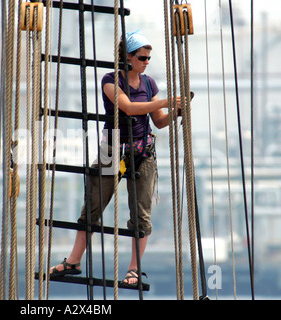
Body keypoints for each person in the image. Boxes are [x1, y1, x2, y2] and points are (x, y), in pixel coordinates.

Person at [49, 30, 183, 287]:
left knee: (141, 215)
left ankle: (134, 269)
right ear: (128, 57)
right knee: (92, 207)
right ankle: (74, 261)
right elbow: (129, 107)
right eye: (142, 57)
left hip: (142, 153)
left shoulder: (149, 84)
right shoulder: (110, 80)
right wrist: (166, 101)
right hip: (112, 150)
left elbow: (159, 121)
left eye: (148, 58)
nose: (146, 62)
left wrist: (176, 112)